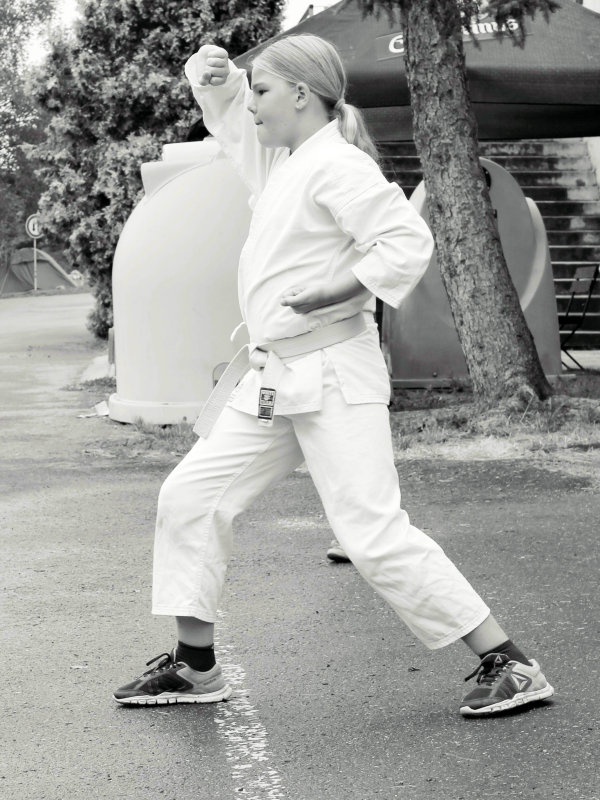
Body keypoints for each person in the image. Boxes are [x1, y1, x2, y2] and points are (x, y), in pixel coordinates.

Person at [113, 34, 554, 717]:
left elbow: (406, 240)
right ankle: (195, 666)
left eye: (263, 90)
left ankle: (511, 663)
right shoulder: (282, 160)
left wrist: (338, 287)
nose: (251, 104)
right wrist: (217, 75)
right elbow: (232, 117)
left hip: (334, 375)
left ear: (300, 94)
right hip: (274, 377)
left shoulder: (339, 166)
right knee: (190, 496)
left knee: (370, 533)